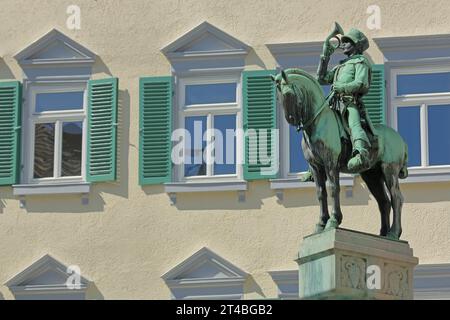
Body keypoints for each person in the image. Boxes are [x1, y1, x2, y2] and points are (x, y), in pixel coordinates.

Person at [300, 27, 373, 182]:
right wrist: (325, 56)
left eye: (348, 41)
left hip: (349, 102)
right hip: (334, 103)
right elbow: (322, 78)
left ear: (356, 45)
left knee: (354, 124)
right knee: (320, 127)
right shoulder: (341, 66)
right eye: (344, 41)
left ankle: (361, 153)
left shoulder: (361, 62)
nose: (344, 44)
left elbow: (362, 83)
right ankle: (313, 165)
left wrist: (342, 88)